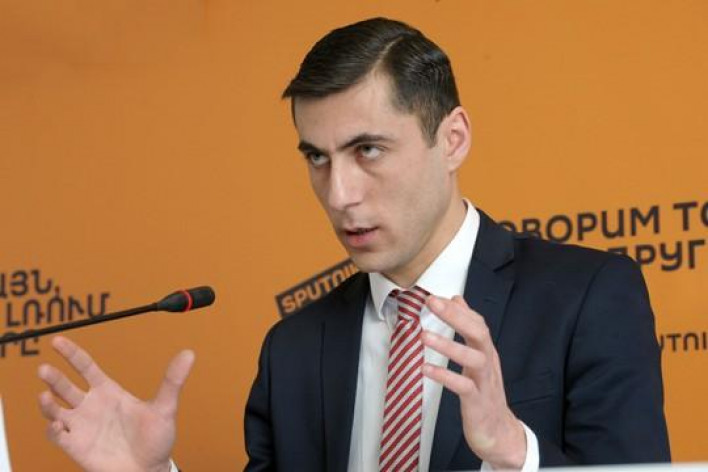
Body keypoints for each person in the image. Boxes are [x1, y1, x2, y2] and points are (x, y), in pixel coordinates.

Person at [37, 17, 670, 472]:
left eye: (368, 149)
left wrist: (514, 451)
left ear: (452, 140)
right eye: (317, 157)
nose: (339, 194)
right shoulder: (293, 347)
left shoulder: (588, 296)